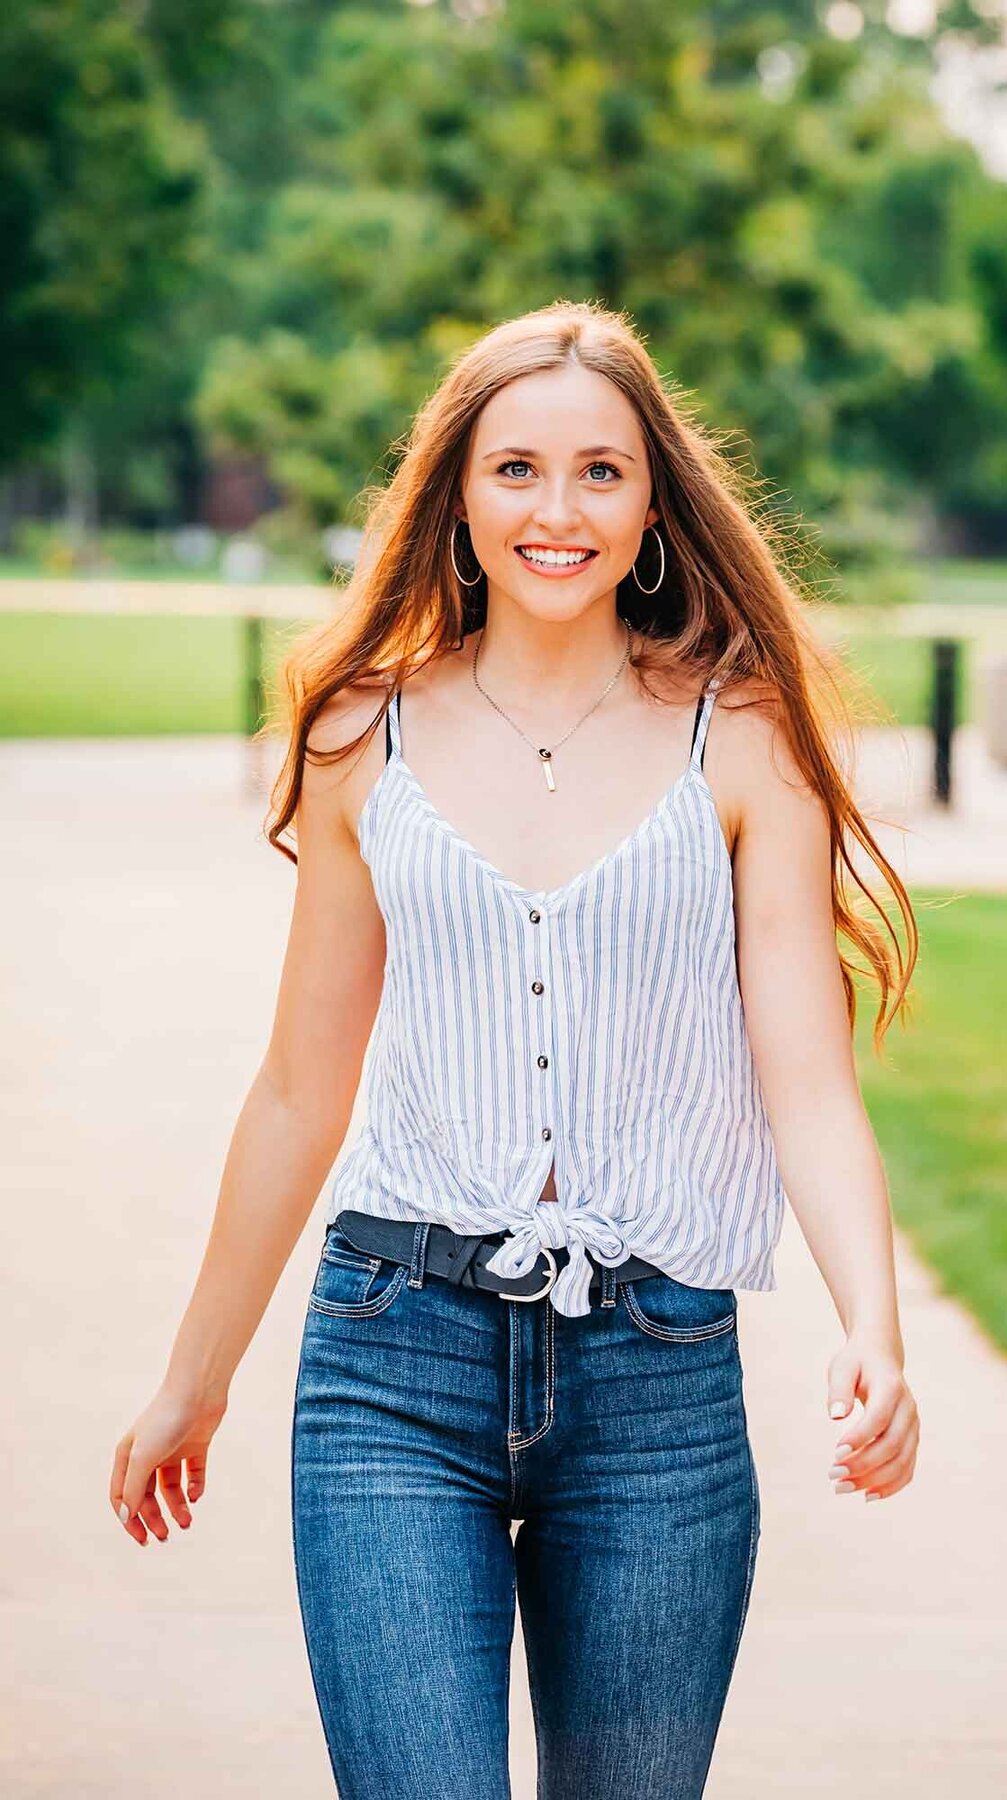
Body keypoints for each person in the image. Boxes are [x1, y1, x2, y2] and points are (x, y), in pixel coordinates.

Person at [109, 299, 921, 1797]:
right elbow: (301, 1086)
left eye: (602, 472)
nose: (559, 510)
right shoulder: (364, 736)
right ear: (459, 496)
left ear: (654, 500)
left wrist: (874, 1324)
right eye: (518, 470)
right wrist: (195, 1374)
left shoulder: (743, 739)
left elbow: (807, 1078)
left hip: (659, 1384)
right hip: (389, 1365)